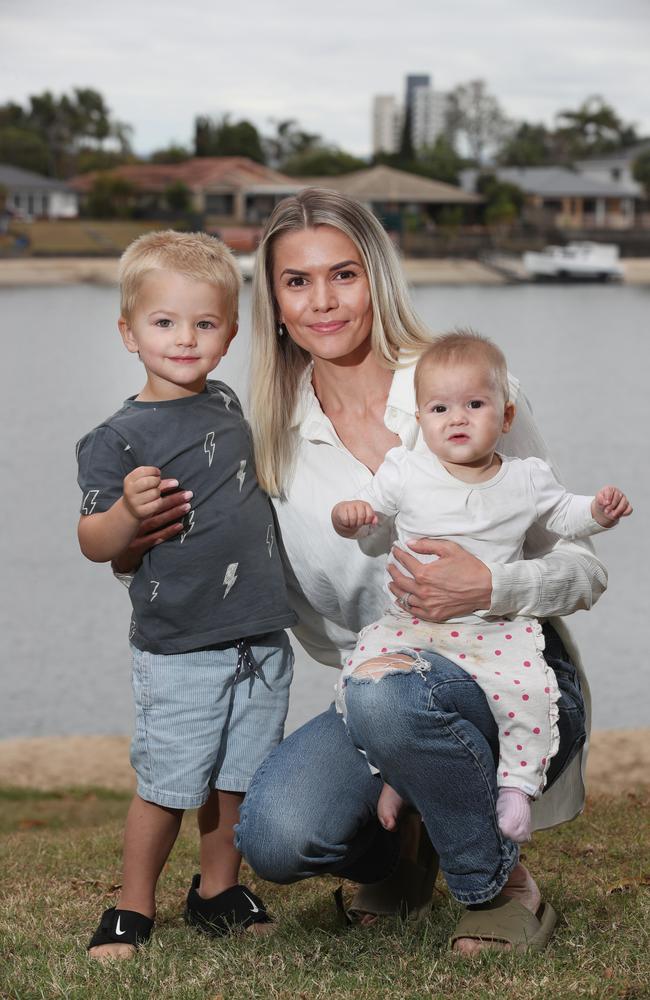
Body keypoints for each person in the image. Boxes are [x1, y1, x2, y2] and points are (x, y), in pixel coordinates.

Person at [229, 187, 608, 956]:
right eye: (297, 281)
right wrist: (129, 535)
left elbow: (584, 569)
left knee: (395, 699)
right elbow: (280, 600)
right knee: (276, 836)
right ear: (271, 299)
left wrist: (494, 587)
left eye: (344, 274)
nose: (323, 301)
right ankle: (407, 851)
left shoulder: (466, 392)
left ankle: (498, 889)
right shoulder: (271, 437)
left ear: (379, 278)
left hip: (514, 675)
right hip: (377, 687)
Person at [76, 230, 296, 961]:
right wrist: (127, 517)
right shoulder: (116, 438)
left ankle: (216, 891)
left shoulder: (229, 399)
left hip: (260, 634)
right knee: (170, 783)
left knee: (237, 779)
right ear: (128, 332)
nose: (184, 339)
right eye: (163, 322)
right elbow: (94, 542)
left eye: (204, 324)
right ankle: (131, 907)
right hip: (179, 643)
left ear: (230, 333)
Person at [331, 330, 632, 844]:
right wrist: (351, 516)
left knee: (528, 692)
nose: (458, 418)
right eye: (440, 408)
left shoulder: (526, 478)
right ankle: (397, 777)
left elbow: (567, 515)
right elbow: (367, 510)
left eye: (475, 404)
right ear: (421, 420)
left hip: (494, 627)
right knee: (362, 677)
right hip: (412, 626)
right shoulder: (405, 470)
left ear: (506, 417)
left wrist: (598, 513)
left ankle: (516, 786)